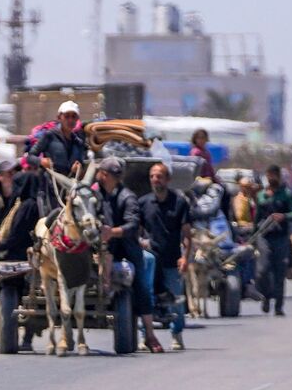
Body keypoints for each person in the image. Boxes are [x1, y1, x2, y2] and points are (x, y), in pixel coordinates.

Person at [96, 156, 163, 352]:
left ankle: (149, 334)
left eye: (110, 175)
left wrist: (112, 232)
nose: (105, 178)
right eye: (106, 174)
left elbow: (133, 224)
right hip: (99, 246)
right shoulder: (94, 194)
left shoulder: (128, 197)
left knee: (141, 286)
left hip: (125, 247)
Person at [138, 162, 191, 350]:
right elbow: (137, 231)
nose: (155, 179)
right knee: (147, 297)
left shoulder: (179, 202)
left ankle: (176, 334)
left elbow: (186, 233)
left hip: (172, 259)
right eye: (152, 176)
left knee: (176, 298)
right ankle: (144, 335)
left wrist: (185, 257)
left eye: (159, 176)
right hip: (150, 261)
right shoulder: (143, 203)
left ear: (167, 179)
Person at [254, 165, 292, 316]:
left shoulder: (286, 194)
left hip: (281, 237)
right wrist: (253, 236)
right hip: (264, 237)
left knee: (280, 272)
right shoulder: (261, 195)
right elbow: (257, 217)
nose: (271, 178)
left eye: (274, 175)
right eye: (269, 175)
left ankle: (279, 306)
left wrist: (284, 216)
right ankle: (266, 297)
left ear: (279, 176)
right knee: (263, 270)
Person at [29, 101, 87, 176]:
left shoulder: (78, 143)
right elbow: (30, 157)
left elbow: (81, 164)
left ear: (77, 119)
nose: (70, 120)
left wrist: (78, 168)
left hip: (70, 185)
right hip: (49, 184)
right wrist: (41, 161)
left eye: (74, 117)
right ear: (59, 118)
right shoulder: (50, 135)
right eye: (67, 116)